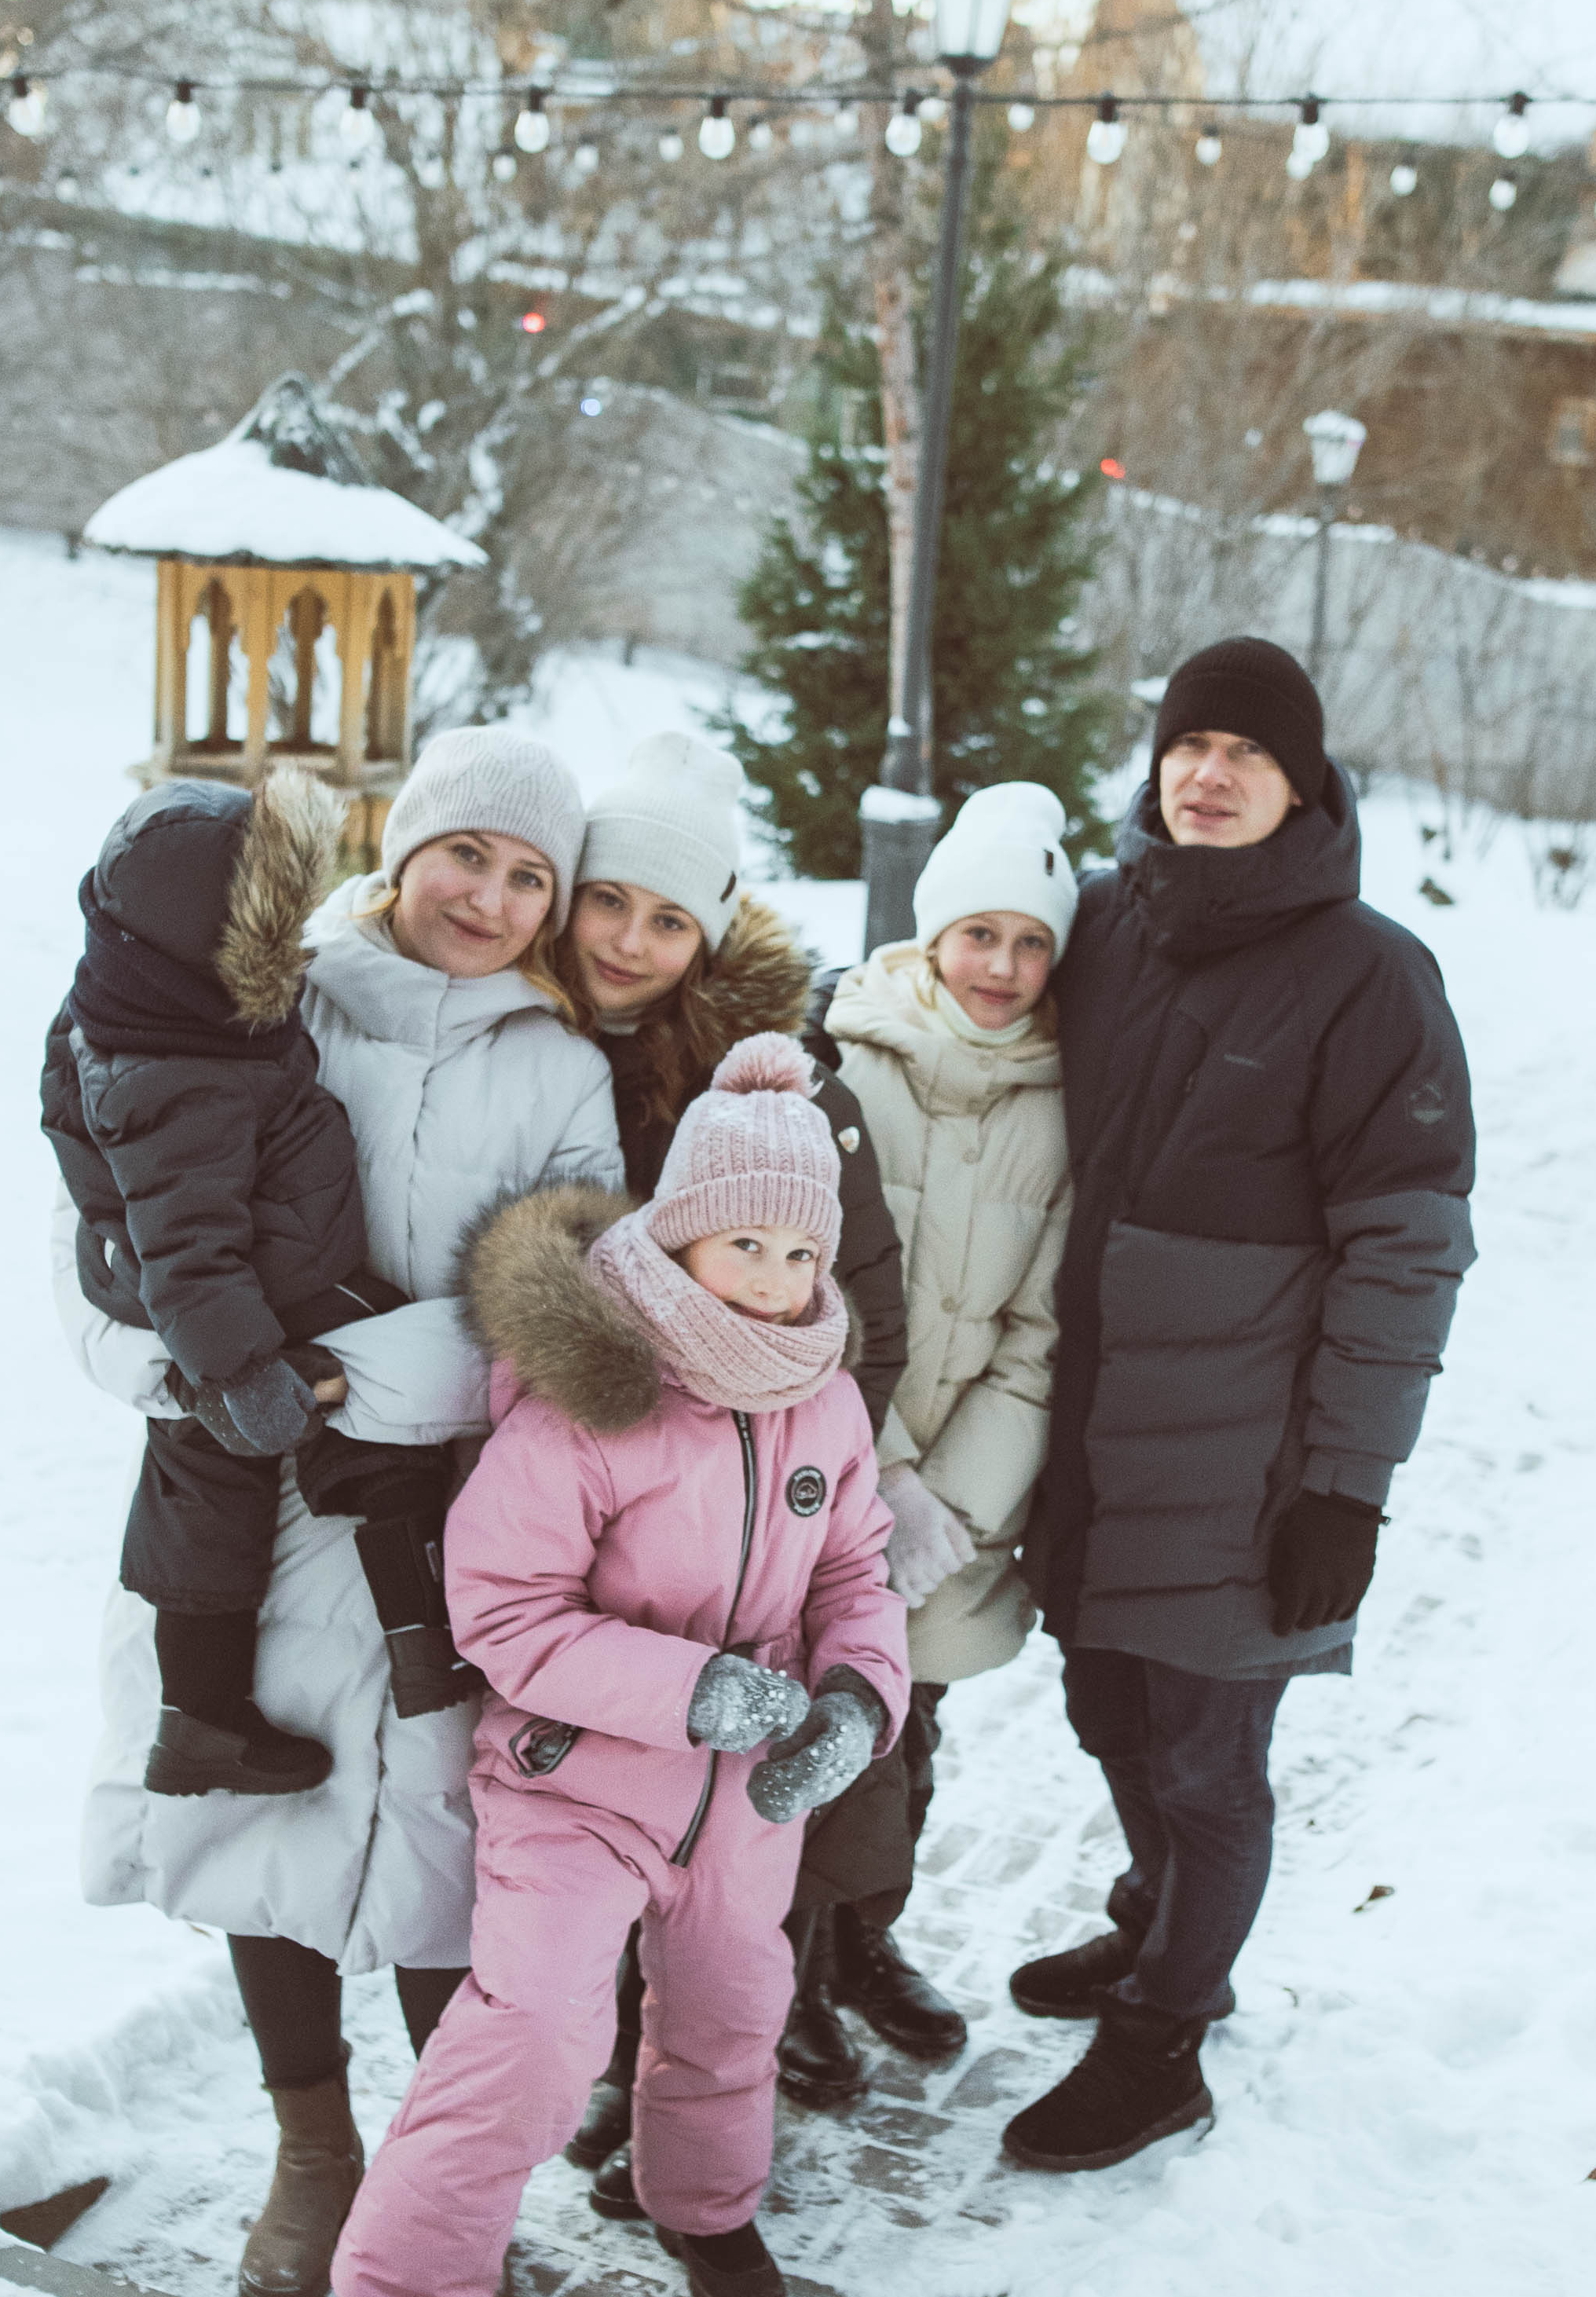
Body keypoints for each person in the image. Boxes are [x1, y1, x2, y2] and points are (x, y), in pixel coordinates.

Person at [50, 725, 622, 2297]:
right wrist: (172, 1371)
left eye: (529, 876)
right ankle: (315, 2148)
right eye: (467, 854)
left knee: (447, 1852)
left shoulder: (561, 1072)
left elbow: (556, 1307)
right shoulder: (268, 996)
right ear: (404, 846)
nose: (490, 895)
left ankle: (444, 2181)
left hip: (440, 1517)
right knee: (267, 1833)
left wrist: (332, 1380)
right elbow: (107, 1231)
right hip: (242, 1512)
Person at [331, 1034, 910, 2297]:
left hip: (748, 1792)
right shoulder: (599, 1396)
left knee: (729, 2006)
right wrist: (689, 1691)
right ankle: (407, 2296)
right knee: (536, 2028)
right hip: (579, 1781)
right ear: (679, 1235)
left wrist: (856, 1702)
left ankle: (701, 2206)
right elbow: (506, 1612)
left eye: (798, 1254)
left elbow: (855, 1569)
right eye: (744, 1246)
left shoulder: (819, 1390)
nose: (776, 1282)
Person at [1009, 639, 1476, 2174]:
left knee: (1208, 1756)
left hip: (1248, 1455)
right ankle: (1152, 1922)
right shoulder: (1097, 926)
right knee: (1106, 1707)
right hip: (1095, 1421)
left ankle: (1163, 2040)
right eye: (1186, 743)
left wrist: (1343, 1485)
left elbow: (1403, 1252)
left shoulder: (1372, 977)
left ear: (1303, 785)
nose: (1205, 775)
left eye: (1245, 755)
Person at [547, 731, 911, 2147]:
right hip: (554, 1485)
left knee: (742, 1804)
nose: (631, 941)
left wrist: (805, 1478)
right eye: (610, 900)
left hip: (747, 1487)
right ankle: (592, 2057)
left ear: (710, 932)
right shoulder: (505, 1023)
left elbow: (851, 1288)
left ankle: (717, 2063)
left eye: (669, 915)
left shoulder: (772, 1084)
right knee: (575, 1794)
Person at [41, 771, 477, 1806]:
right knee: (380, 1452)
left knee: (199, 1477)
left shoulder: (144, 1007)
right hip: (261, 1283)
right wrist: (240, 1370)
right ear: (205, 944)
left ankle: (197, 1718)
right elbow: (188, 1240)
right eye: (266, 931)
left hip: (228, 1277)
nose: (289, 953)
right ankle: (426, 1646)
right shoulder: (182, 1068)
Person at [800, 783, 1076, 2071]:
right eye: (980, 935)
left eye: (1031, 944)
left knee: (909, 1735)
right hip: (821, 1462)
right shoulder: (845, 1066)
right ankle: (778, 1977)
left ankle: (861, 1943)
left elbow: (1041, 1330)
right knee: (810, 1733)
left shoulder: (1062, 1104)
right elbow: (793, 1289)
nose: (1003, 969)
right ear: (930, 936)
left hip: (955, 1496)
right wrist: (883, 1469)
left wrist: (952, 1498)